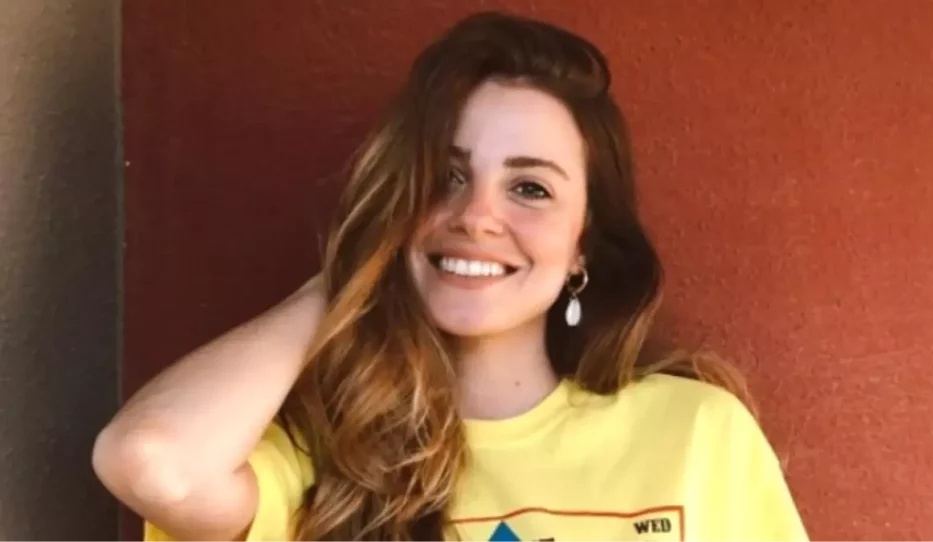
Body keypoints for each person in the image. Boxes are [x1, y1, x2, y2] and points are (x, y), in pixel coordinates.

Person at [93, 11, 809, 542]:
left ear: (583, 245)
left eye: (530, 188)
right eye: (447, 176)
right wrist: (359, 268)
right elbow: (152, 462)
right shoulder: (323, 459)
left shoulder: (695, 437)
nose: (476, 216)